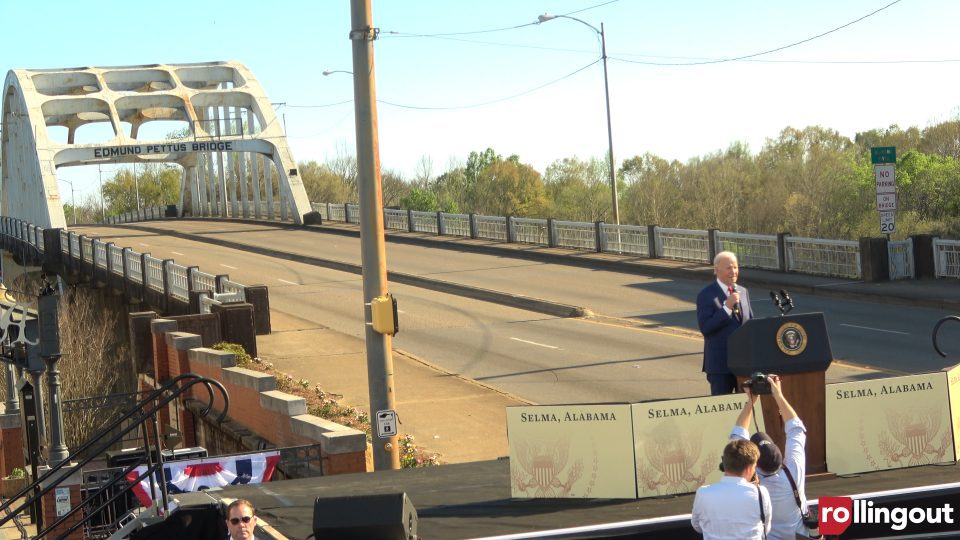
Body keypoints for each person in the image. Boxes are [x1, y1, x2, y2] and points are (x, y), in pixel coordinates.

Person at [732, 374, 812, 540]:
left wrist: (751, 402)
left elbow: (737, 442)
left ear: (755, 465)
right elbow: (796, 430)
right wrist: (778, 394)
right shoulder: (793, 471)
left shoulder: (750, 485)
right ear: (781, 457)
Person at [691, 438, 772, 539]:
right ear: (749, 468)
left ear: (724, 464)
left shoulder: (702, 493)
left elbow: (697, 526)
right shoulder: (761, 493)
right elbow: (765, 529)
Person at [697, 251, 753, 395]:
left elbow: (750, 324)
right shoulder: (707, 295)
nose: (733, 271)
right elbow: (706, 328)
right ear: (716, 270)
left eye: (735, 267)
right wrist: (727, 308)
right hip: (720, 366)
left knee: (747, 407)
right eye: (729, 268)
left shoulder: (743, 291)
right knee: (723, 411)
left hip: (743, 364)